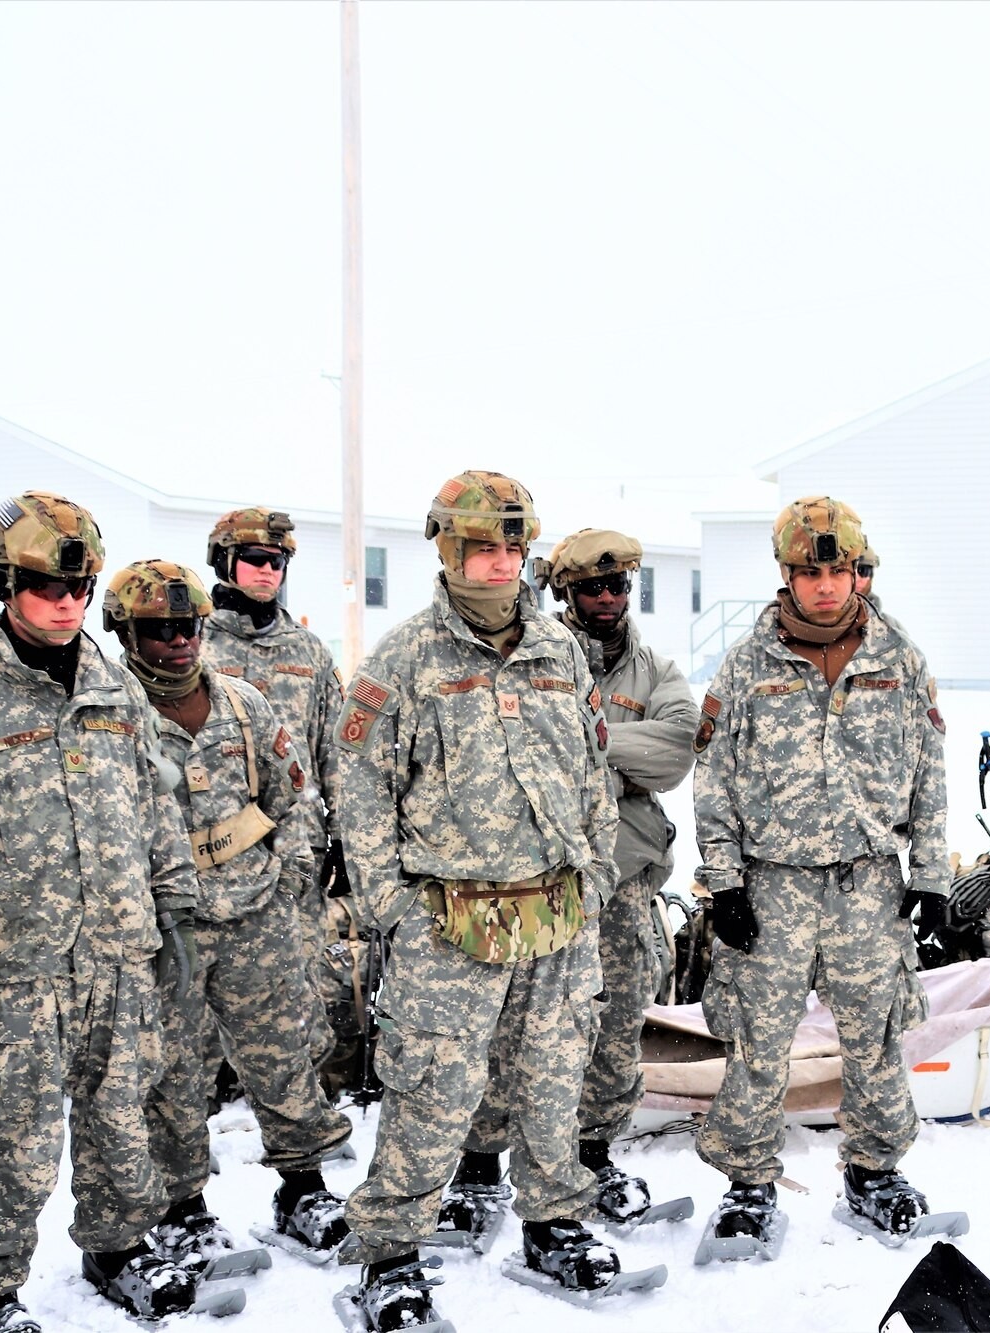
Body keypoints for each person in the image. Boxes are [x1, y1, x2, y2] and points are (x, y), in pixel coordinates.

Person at [331, 471, 626, 1327]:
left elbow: (593, 774)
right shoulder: (403, 660)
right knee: (433, 1092)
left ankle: (554, 1223)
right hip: (449, 919)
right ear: (448, 553)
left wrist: (597, 873)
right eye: (481, 549)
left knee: (551, 1077)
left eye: (512, 548)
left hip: (557, 913)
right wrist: (395, 908)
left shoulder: (559, 649)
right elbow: (361, 793)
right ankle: (389, 1254)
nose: (500, 564)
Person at [0, 493, 205, 1327]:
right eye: (49, 585)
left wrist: (175, 911)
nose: (69, 601)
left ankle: (116, 1247)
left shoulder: (115, 687)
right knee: (10, 1140)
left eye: (82, 586)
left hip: (118, 951)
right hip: (18, 966)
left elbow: (157, 808)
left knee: (123, 1119)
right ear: (7, 583)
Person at [692, 496, 949, 1252]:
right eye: (812, 572)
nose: (828, 585)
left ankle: (874, 1172)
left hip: (870, 881)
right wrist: (724, 880)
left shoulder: (898, 659)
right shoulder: (746, 666)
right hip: (773, 884)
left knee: (875, 1034)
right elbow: (714, 779)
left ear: (857, 572)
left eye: (839, 570)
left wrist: (930, 874)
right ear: (786, 574)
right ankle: (747, 1186)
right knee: (758, 1039)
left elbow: (930, 773)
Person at [436, 528, 699, 1232]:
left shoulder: (656, 673)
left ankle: (591, 1155)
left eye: (618, 585)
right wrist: (612, 750)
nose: (608, 598)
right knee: (508, 1030)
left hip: (627, 883)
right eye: (592, 587)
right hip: (540, 882)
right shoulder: (533, 654)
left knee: (613, 1029)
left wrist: (586, 738)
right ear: (567, 592)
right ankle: (480, 1164)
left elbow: (677, 751)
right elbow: (505, 749)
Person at [103, 560, 355, 1274]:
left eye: (190, 626)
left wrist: (295, 876)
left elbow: (292, 794)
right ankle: (182, 1208)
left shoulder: (245, 704)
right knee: (173, 1072)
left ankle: (303, 1187)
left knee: (284, 1053)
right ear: (125, 632)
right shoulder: (109, 718)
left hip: (256, 913)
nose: (179, 642)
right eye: (159, 630)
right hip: (163, 926)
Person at [201, 507, 350, 1086]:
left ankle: (300, 1103)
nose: (267, 571)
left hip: (295, 849)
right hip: (213, 846)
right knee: (202, 981)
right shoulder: (192, 642)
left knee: (300, 972)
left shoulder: (308, 651)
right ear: (226, 563)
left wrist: (342, 837)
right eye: (255, 560)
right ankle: (204, 1097)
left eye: (278, 562)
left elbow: (336, 749)